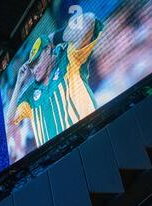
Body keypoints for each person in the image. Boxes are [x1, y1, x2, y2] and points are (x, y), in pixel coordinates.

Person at [7, 12, 104, 147]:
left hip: (89, 140)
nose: (34, 69)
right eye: (32, 66)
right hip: (56, 161)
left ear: (48, 50)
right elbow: (10, 122)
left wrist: (53, 39)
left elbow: (89, 20)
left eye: (37, 62)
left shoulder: (68, 58)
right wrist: (18, 84)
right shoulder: (30, 95)